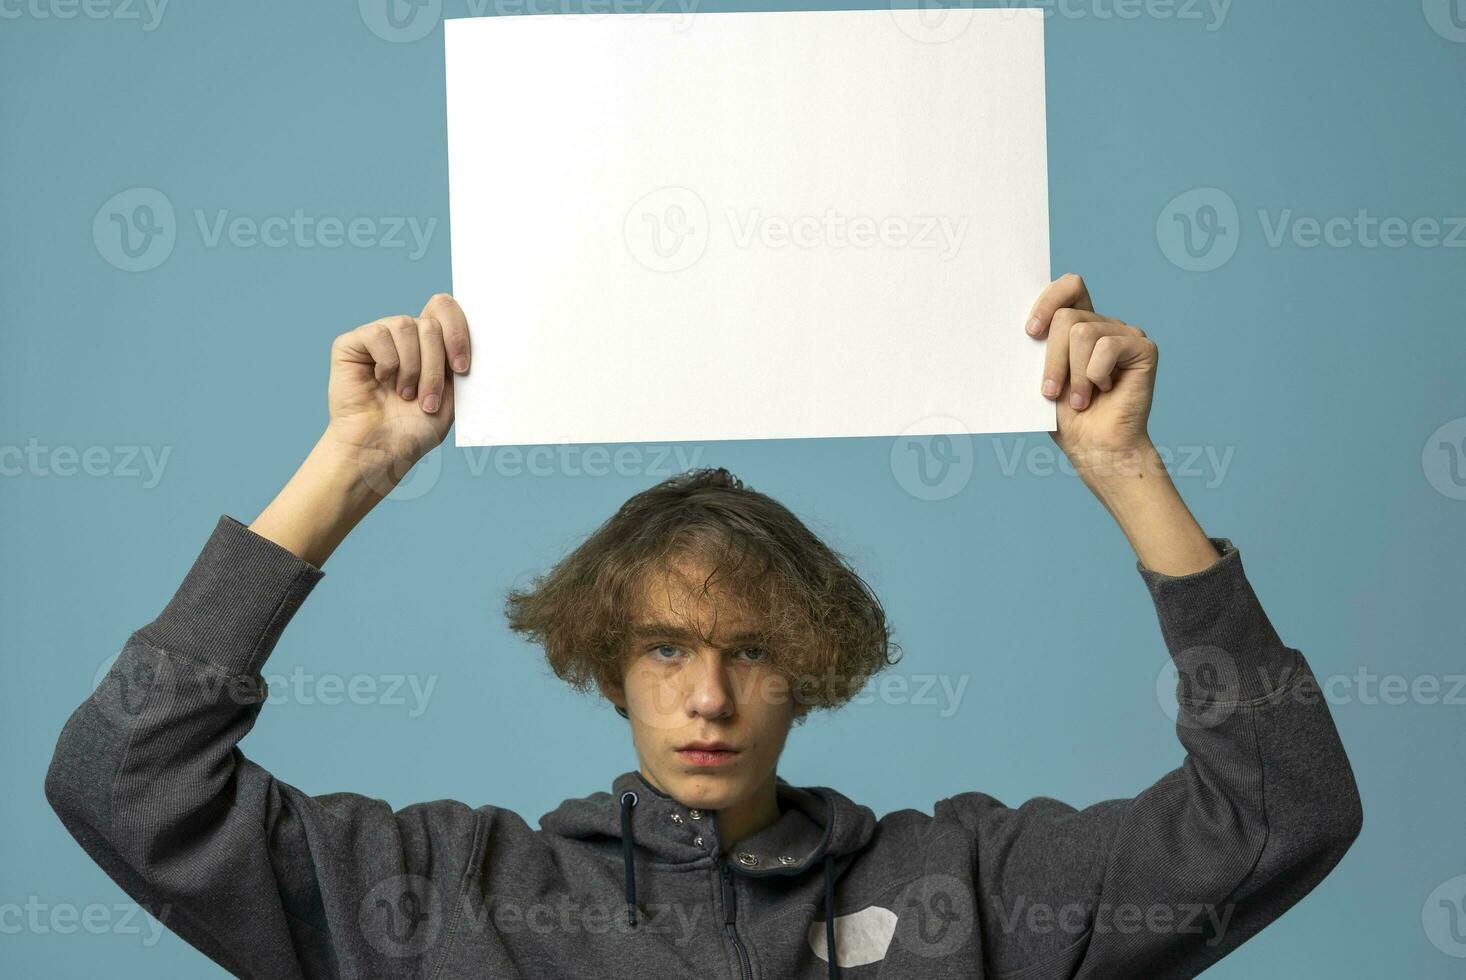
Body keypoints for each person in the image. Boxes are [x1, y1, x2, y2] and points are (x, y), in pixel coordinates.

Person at [47, 278, 1362, 979]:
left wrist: (1127, 469)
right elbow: (125, 781)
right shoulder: (445, 903)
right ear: (606, 660)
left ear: (815, 667)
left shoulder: (961, 896)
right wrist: (351, 466)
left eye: (753, 651)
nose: (709, 699)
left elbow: (1280, 814)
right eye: (667, 648)